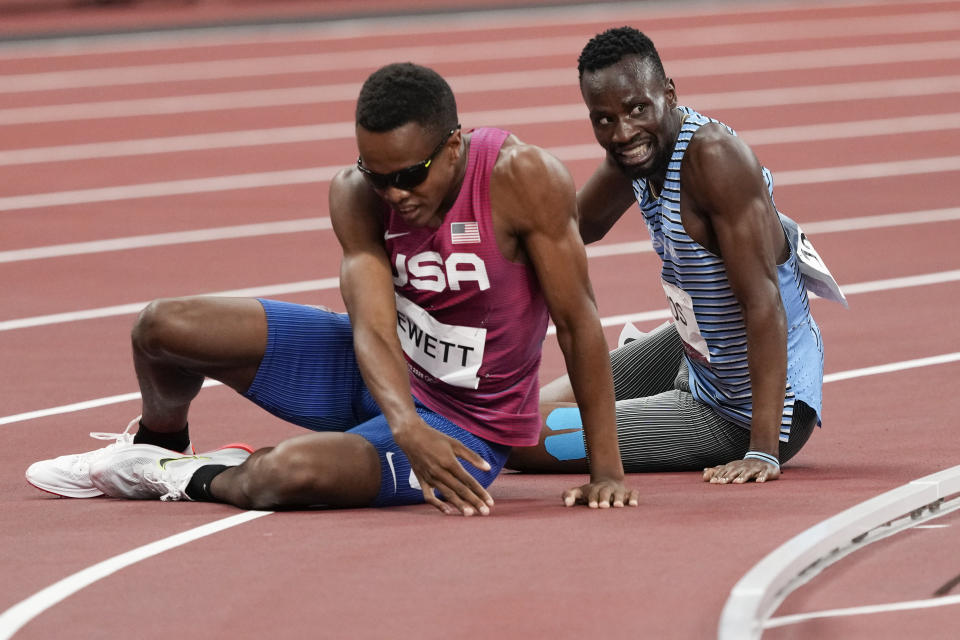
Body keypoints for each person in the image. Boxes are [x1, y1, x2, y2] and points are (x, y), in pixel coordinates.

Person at [26, 62, 638, 514]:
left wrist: (605, 471)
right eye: (378, 175)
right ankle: (160, 442)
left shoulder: (523, 179)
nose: (394, 194)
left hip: (466, 422)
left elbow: (579, 323)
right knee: (161, 326)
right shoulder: (355, 193)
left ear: (453, 146)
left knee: (283, 477)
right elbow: (370, 321)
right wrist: (402, 422)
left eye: (409, 175)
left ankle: (181, 475)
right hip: (374, 367)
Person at [506, 27, 845, 484]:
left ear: (668, 94)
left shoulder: (715, 161)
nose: (622, 132)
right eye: (602, 119)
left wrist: (763, 451)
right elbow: (575, 227)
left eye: (636, 109)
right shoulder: (635, 153)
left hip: (745, 410)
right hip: (695, 353)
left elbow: (764, 303)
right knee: (526, 410)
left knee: (519, 437)